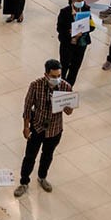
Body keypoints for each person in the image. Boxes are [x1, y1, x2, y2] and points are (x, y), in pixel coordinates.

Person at [14, 60, 73, 197]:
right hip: (38, 127)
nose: (57, 79)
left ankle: (42, 177)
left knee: (47, 155)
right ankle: (24, 182)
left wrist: (64, 105)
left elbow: (69, 112)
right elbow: (27, 107)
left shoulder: (66, 87)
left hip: (55, 129)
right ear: (46, 74)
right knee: (30, 156)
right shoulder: (36, 85)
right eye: (53, 76)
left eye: (59, 75)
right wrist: (26, 127)